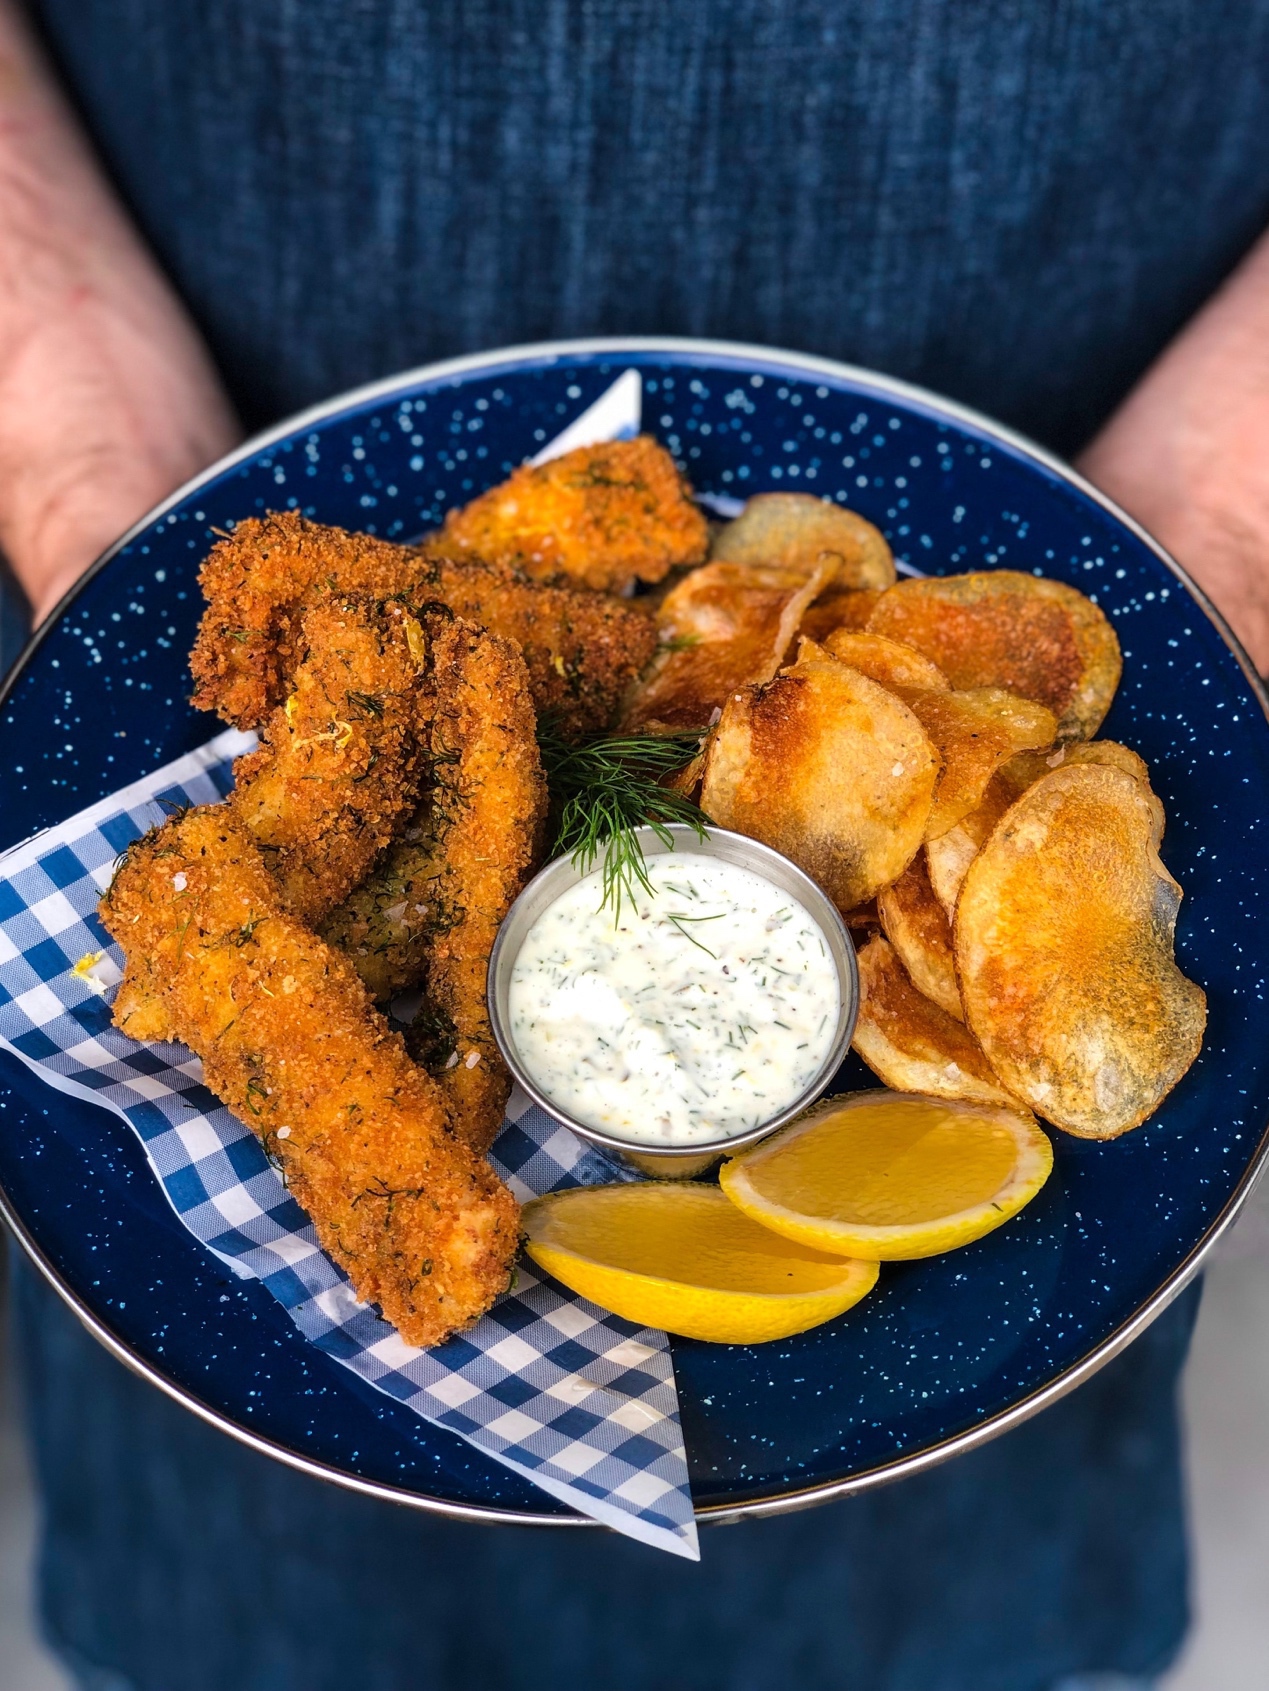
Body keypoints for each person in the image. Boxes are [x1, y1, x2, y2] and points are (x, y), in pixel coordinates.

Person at [1, 2, 1266, 1686]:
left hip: (1087, 322)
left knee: (942, 1571)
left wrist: (1222, 529)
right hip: (211, 282)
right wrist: (79, 431)